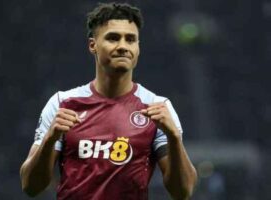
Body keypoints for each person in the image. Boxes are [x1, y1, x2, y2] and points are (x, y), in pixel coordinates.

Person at [20, 2, 197, 200]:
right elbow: (30, 186)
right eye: (113, 38)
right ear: (92, 45)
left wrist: (174, 138)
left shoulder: (157, 106)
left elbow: (183, 192)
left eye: (130, 39)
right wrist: (49, 140)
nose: (122, 46)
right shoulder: (63, 103)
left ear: (138, 48)